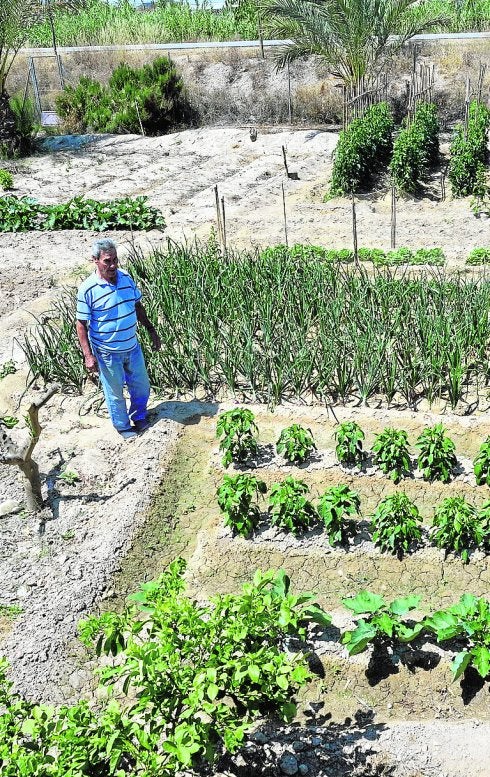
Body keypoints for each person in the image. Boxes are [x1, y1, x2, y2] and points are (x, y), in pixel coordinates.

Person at [76, 238, 161, 440]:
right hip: (107, 351)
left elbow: (137, 306)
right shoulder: (88, 289)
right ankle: (123, 426)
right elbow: (81, 324)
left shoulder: (126, 278)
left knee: (141, 385)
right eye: (107, 261)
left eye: (115, 260)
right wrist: (88, 355)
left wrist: (151, 330)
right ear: (95, 260)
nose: (113, 265)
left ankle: (139, 417)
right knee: (115, 392)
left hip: (132, 345)